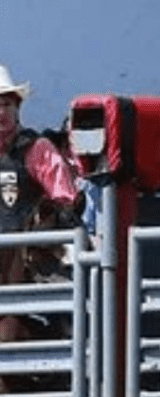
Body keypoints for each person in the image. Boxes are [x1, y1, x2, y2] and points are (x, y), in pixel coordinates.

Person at [0, 64, 81, 363]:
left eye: (6, 104)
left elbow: (66, 201)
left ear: (17, 107)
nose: (0, 112)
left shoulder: (37, 149)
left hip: (31, 261)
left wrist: (42, 230)